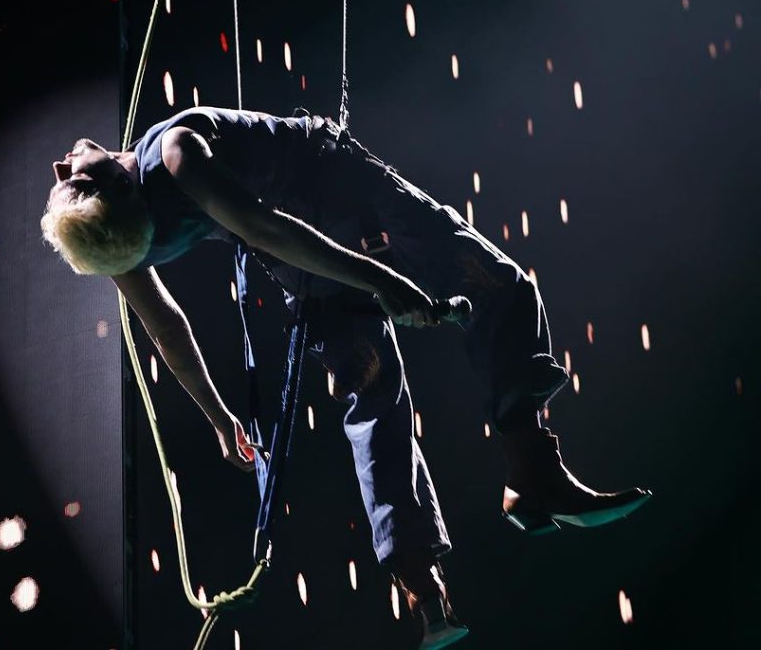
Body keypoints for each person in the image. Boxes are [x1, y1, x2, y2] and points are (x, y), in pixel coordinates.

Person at [41, 106, 651, 649]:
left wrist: (219, 417)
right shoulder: (173, 157)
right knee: (500, 285)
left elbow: (173, 322)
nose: (62, 164)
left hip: (306, 260)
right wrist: (381, 280)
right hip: (336, 205)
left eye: (69, 175)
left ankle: (422, 584)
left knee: (372, 393)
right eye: (74, 175)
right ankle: (530, 470)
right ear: (120, 182)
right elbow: (263, 233)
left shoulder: (120, 235)